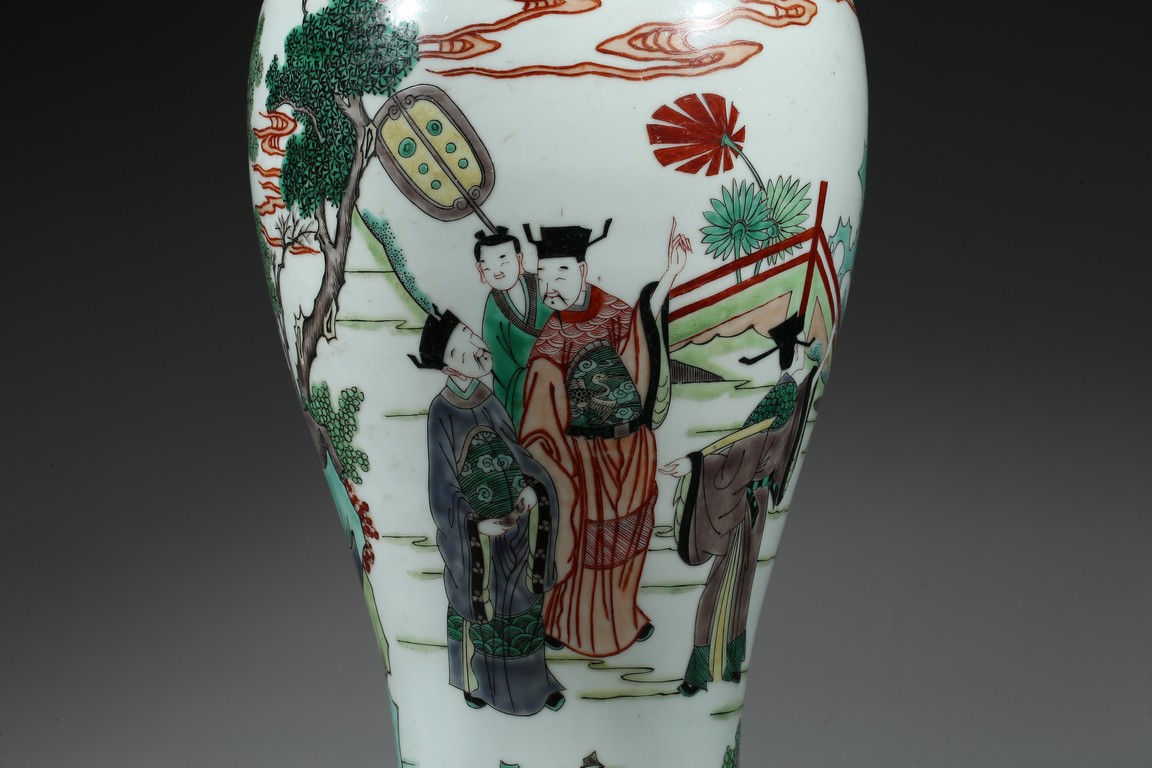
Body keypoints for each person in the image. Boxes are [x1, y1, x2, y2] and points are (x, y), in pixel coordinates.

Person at [517, 218, 690, 657]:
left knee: (630, 537)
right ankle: (566, 623)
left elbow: (641, 336)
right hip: (585, 461)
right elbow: (540, 420)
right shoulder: (551, 343)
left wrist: (670, 274)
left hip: (631, 451)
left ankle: (625, 616)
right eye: (543, 278)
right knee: (587, 542)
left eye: (560, 274)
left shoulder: (613, 312)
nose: (551, 288)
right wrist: (549, 467)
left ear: (582, 269)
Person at [410, 309, 565, 715]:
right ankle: (483, 686)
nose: (476, 349)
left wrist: (532, 488)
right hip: (478, 535)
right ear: (449, 368)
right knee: (487, 604)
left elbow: (517, 454)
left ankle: (536, 684)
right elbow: (442, 485)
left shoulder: (489, 399)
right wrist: (476, 524)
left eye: (471, 337)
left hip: (515, 520)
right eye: (462, 350)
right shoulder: (441, 412)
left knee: (524, 601)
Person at [660, 323, 823, 695]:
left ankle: (703, 669)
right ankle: (725, 666)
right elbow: (752, 440)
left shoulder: (785, 392)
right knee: (740, 579)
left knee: (724, 581)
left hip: (744, 501)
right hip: (755, 501)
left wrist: (696, 464)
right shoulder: (798, 388)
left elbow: (753, 443)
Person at [475, 226, 552, 431]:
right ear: (481, 271)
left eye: (503, 260)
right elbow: (499, 361)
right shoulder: (493, 308)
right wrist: (531, 378)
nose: (498, 271)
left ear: (519, 259)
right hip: (519, 388)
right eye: (488, 266)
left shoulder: (543, 285)